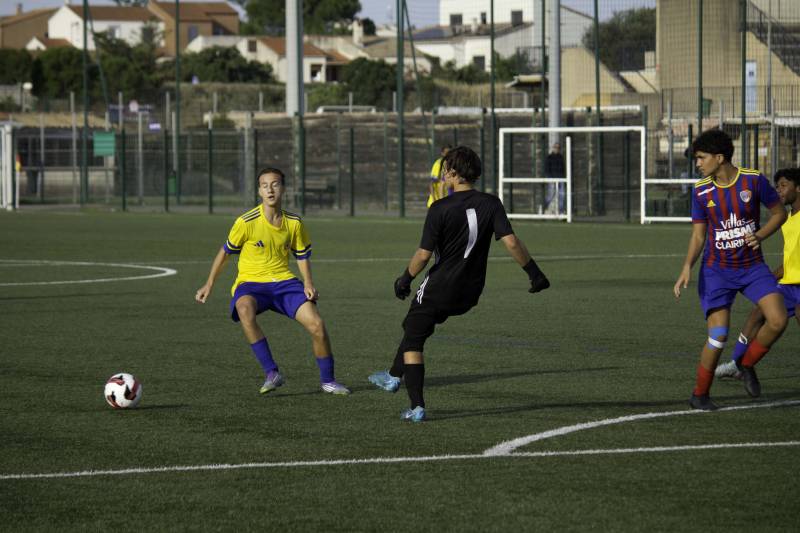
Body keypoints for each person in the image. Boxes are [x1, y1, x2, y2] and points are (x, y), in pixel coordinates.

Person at [368, 146, 550, 422]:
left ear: (453, 172)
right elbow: (511, 241)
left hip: (440, 285)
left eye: (444, 168)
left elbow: (423, 255)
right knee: (415, 326)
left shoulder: (439, 208)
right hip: (470, 291)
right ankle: (393, 375)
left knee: (414, 338)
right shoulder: (492, 203)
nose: (442, 173)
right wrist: (534, 273)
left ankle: (416, 405)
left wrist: (404, 280)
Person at [195, 167, 350, 396]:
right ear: (259, 190)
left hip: (284, 283)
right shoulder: (246, 222)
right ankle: (272, 372)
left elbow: (302, 254)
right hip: (251, 284)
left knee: (317, 325)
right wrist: (209, 284)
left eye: (275, 184)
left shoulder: (294, 223)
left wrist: (308, 283)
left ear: (283, 189)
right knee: (244, 310)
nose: (270, 189)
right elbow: (225, 253)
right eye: (265, 185)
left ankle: (328, 381)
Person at [673, 129, 787, 411]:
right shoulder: (701, 190)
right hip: (717, 271)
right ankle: (699, 394)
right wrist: (687, 266)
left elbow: (779, 213)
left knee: (778, 319)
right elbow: (699, 235)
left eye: (701, 158)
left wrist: (760, 235)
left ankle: (744, 365)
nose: (697, 163)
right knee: (718, 335)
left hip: (752, 267)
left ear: (719, 157)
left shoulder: (753, 180)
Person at [716, 168, 800, 384]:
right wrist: (772, 277)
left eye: (784, 185)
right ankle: (736, 365)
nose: (778, 190)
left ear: (798, 188)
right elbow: (792, 258)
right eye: (777, 186)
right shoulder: (788, 218)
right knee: (758, 313)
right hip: (791, 285)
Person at [544, 142, 566, 214]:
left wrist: (563, 177)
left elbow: (563, 168)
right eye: (556, 147)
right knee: (551, 194)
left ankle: (561, 211)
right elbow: (547, 169)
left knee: (561, 195)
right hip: (552, 178)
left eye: (558, 148)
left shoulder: (561, 157)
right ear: (553, 148)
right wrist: (550, 178)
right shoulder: (549, 157)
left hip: (560, 178)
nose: (557, 149)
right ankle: (544, 207)